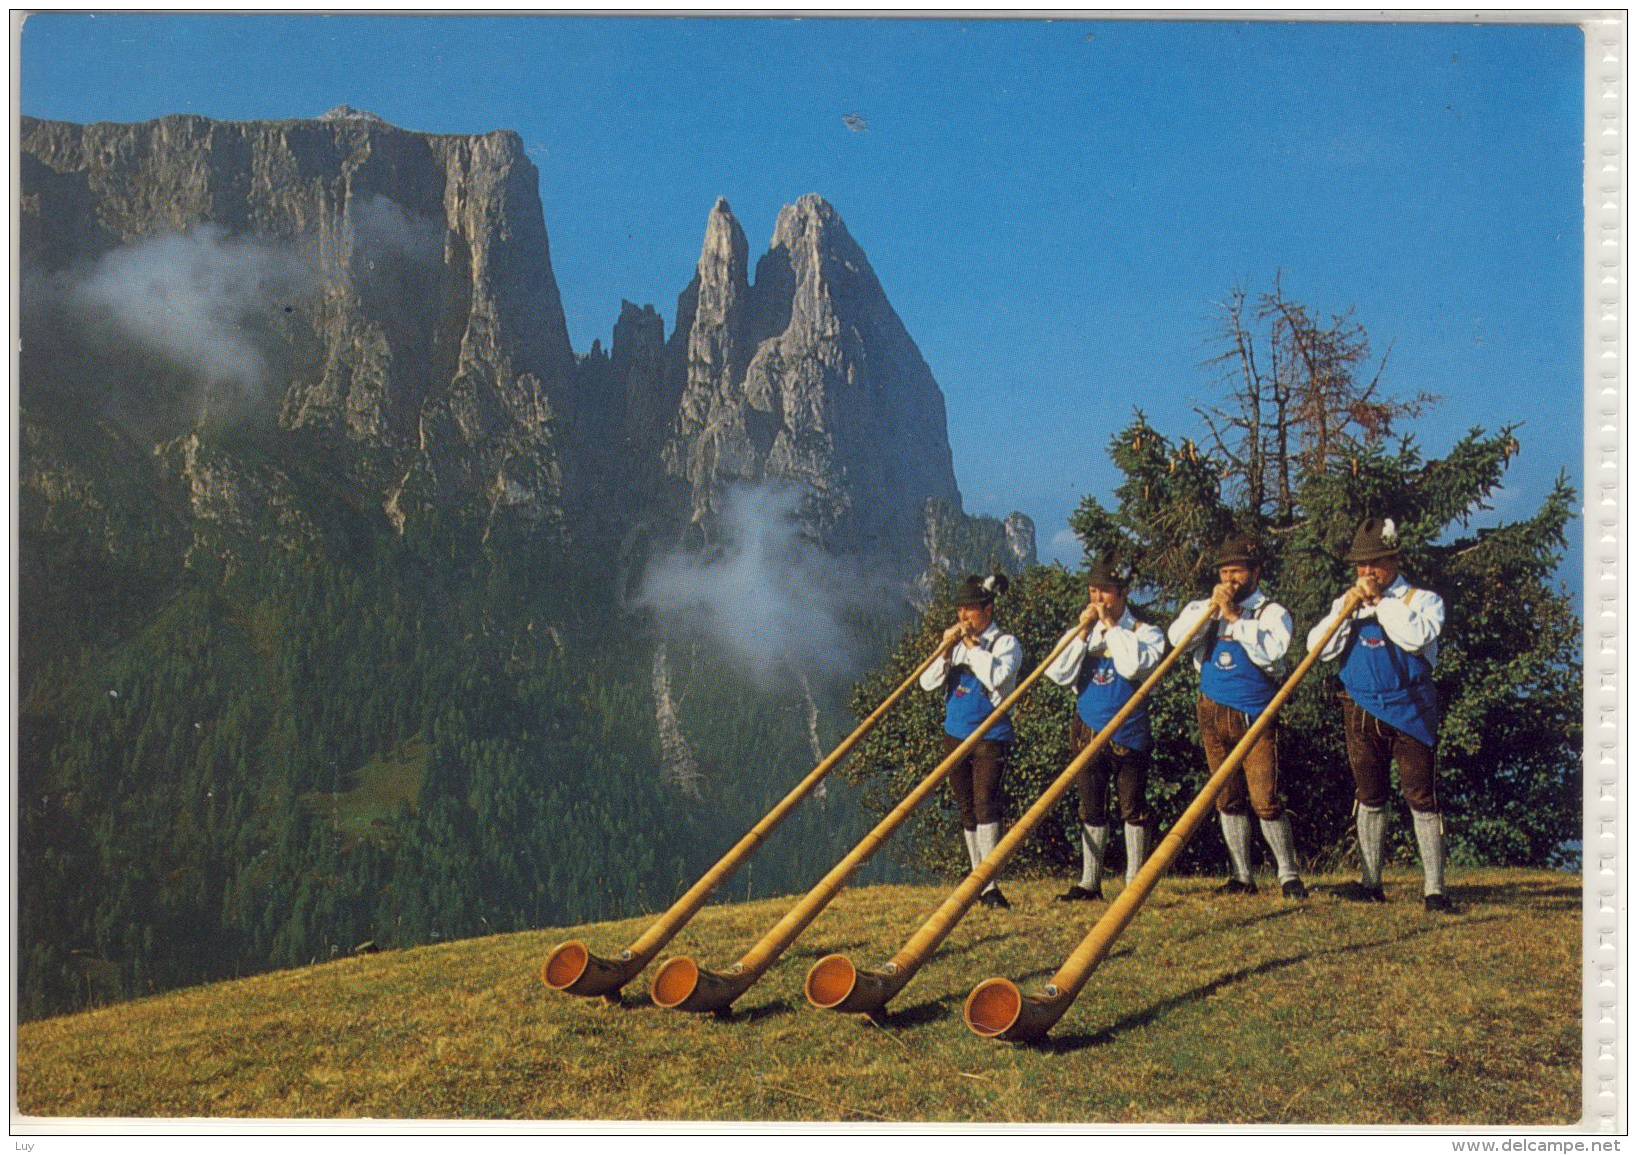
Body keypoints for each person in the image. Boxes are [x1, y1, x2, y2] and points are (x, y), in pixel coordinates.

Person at [1307, 517, 1451, 912]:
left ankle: (1435, 889)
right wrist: (1350, 611)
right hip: (1360, 708)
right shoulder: (1346, 603)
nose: (1367, 572)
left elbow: (1416, 637)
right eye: (1361, 565)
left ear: (1395, 560)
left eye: (1376, 563)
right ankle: (1371, 882)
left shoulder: (1422, 601)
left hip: (1411, 711)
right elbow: (1317, 649)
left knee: (1421, 796)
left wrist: (1380, 604)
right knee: (1369, 795)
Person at [1168, 533, 1308, 900]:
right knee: (1225, 796)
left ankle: (1288, 875)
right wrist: (1211, 612)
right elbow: (1177, 639)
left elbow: (1272, 653)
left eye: (1239, 572)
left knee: (1265, 798)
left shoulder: (1271, 613)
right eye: (1225, 571)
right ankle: (1241, 875)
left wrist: (1234, 617)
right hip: (1211, 711)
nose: (1231, 579)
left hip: (1254, 715)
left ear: (1256, 573)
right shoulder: (1204, 608)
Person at [1044, 558, 1167, 901]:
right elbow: (1057, 673)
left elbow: (1131, 667)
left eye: (1107, 592)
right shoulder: (1082, 633)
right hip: (1087, 727)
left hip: (1130, 730)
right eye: (1094, 591)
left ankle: (1134, 883)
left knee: (1133, 806)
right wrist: (1083, 633)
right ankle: (1089, 883)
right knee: (1091, 806)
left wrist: (1112, 628)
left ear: (1123, 593)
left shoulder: (1147, 632)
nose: (1099, 599)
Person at [920, 573, 1022, 908]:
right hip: (956, 733)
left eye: (971, 610)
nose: (963, 617)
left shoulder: (1006, 644)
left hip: (990, 734)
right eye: (960, 610)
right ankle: (977, 875)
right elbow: (927, 683)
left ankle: (989, 883)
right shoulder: (956, 647)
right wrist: (945, 652)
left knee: (985, 804)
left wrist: (969, 647)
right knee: (966, 807)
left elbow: (996, 677)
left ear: (988, 610)